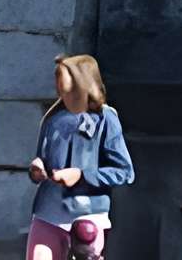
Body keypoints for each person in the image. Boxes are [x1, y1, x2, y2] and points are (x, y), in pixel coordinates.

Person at [27, 53, 133, 256]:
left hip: (87, 215)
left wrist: (82, 175)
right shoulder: (52, 119)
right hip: (48, 212)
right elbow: (43, 157)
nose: (58, 83)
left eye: (63, 76)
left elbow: (125, 171)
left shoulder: (106, 119)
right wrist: (37, 168)